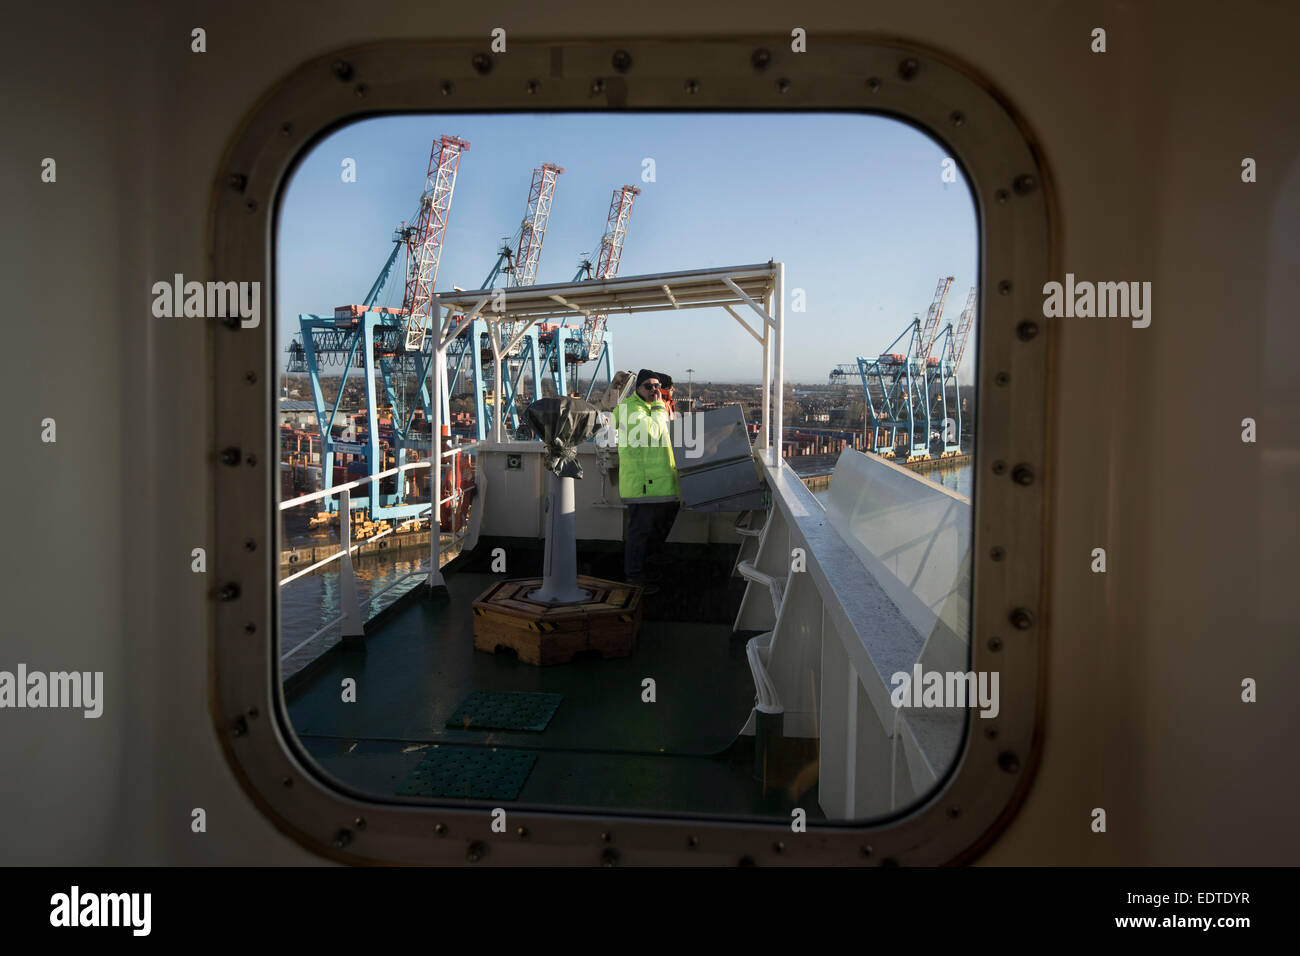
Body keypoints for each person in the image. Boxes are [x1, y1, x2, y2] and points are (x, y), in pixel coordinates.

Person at [617, 369, 681, 593]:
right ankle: (634, 578)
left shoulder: (652, 409)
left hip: (663, 484)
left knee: (655, 533)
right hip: (642, 486)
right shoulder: (629, 410)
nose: (654, 390)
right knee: (640, 534)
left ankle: (649, 570)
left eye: (656, 386)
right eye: (648, 386)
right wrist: (658, 407)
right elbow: (651, 435)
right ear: (638, 389)